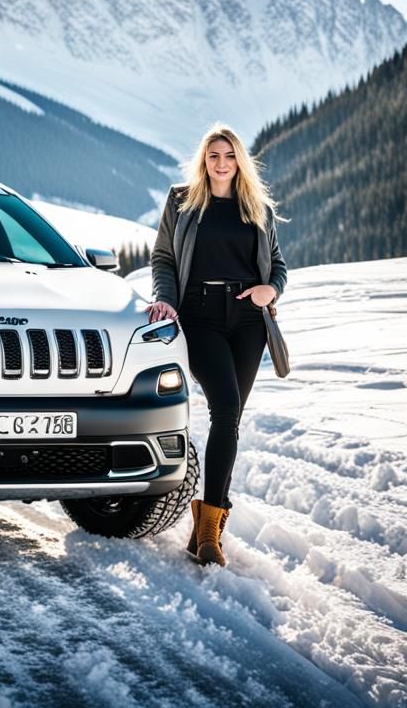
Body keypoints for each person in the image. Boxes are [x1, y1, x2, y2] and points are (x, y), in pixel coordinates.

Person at [145, 123, 288, 567]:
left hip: (248, 320)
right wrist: (166, 300)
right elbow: (163, 258)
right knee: (225, 407)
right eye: (213, 156)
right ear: (203, 161)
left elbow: (277, 265)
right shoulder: (181, 201)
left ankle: (206, 529)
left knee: (232, 418)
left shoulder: (257, 207)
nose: (221, 164)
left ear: (239, 161)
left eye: (229, 156)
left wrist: (270, 290)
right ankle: (209, 533)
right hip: (200, 317)